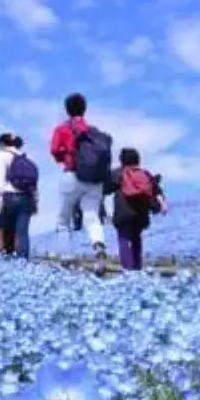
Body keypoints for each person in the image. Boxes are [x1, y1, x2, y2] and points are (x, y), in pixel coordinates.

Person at [51, 93, 111, 269]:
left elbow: (54, 150)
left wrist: (66, 156)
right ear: (85, 110)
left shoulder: (62, 129)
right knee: (92, 217)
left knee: (64, 219)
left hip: (72, 175)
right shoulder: (94, 132)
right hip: (94, 180)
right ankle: (99, 246)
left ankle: (67, 258)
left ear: (67, 110)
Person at [105, 147, 167, 271]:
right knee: (136, 239)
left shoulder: (118, 173)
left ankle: (127, 269)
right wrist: (163, 204)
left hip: (123, 211)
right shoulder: (144, 173)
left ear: (122, 160)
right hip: (141, 212)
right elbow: (156, 190)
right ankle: (137, 268)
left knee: (123, 238)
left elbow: (106, 189)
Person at [0, 132, 38, 259]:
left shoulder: (2, 155)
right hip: (27, 198)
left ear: (2, 144)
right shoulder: (24, 157)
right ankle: (23, 260)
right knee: (22, 231)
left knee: (8, 230)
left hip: (10, 197)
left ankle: (9, 260)